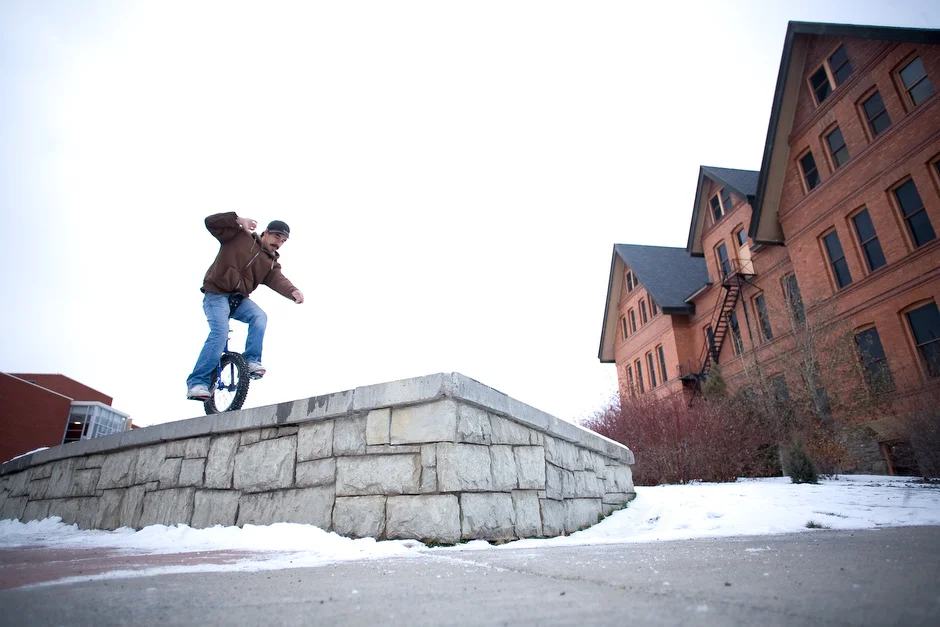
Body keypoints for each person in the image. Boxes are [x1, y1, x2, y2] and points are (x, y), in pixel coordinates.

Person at [185, 213, 304, 400]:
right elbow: (210, 223)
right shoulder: (239, 236)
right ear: (265, 233)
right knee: (220, 333)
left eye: (283, 241)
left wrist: (293, 291)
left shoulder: (270, 263)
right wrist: (237, 220)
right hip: (216, 294)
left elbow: (278, 279)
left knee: (259, 317)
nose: (278, 243)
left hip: (238, 299)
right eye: (276, 237)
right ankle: (197, 383)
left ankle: (251, 360)